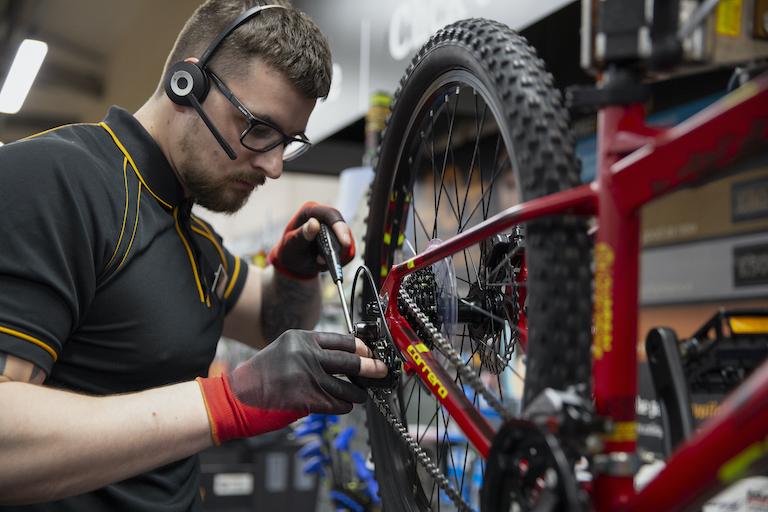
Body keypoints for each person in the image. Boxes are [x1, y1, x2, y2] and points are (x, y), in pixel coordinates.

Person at [0, 1, 386, 509]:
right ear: (187, 84)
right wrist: (226, 404)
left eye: (287, 142)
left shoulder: (190, 233)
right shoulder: (53, 180)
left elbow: (272, 320)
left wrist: (294, 271)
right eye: (258, 129)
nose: (273, 167)